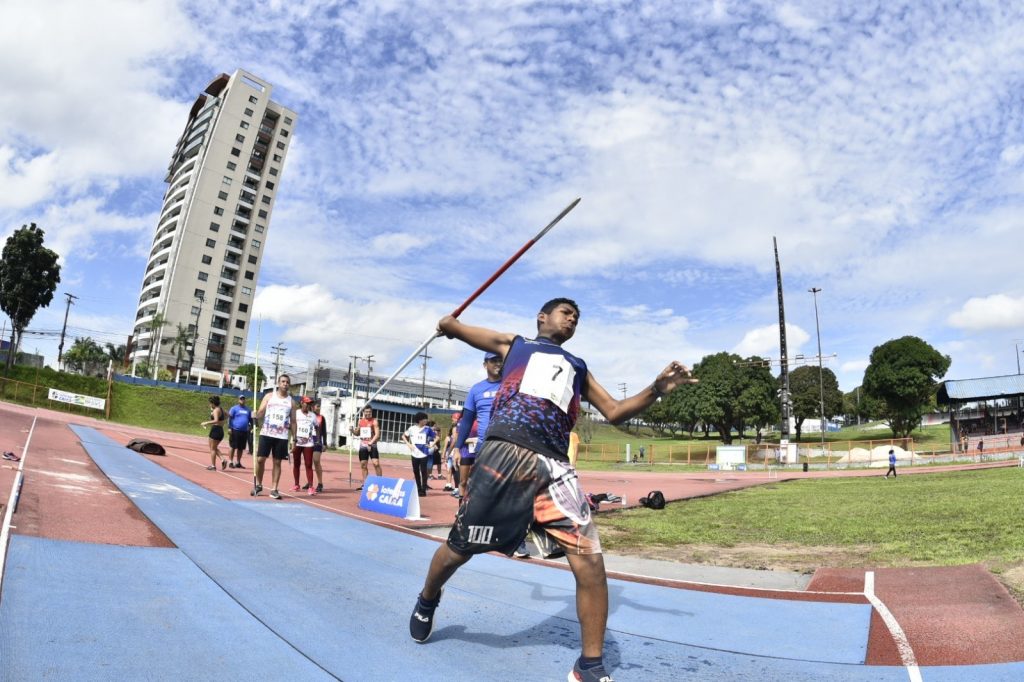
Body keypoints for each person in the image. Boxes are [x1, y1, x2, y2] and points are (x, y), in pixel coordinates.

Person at [408, 298, 697, 682]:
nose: (572, 318)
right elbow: (457, 329)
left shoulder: (578, 368)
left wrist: (656, 388)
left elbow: (614, 410)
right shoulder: (515, 345)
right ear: (542, 317)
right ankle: (428, 597)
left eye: (577, 316)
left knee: (590, 560)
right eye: (566, 312)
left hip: (555, 466)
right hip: (504, 453)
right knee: (460, 549)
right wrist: (448, 324)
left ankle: (589, 665)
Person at [454, 351, 503, 501]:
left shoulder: (511, 386)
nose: (498, 364)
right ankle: (465, 518)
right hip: (483, 448)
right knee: (479, 488)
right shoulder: (476, 389)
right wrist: (457, 448)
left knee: (503, 489)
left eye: (500, 360)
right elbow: (467, 421)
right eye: (493, 360)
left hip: (506, 447)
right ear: (485, 365)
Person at [252, 374, 296, 499]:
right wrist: (255, 414)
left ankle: (274, 488)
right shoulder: (269, 396)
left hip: (281, 436)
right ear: (278, 383)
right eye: (283, 381)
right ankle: (259, 485)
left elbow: (293, 422)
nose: (285, 384)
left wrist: (294, 438)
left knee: (277, 462)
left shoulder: (291, 402)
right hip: (266, 433)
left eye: (287, 382)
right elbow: (261, 412)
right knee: (260, 460)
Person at [401, 411, 437, 497]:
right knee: (416, 471)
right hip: (414, 453)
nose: (426, 420)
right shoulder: (412, 428)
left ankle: (423, 489)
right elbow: (403, 436)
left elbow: (437, 437)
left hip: (424, 453)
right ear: (419, 420)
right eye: (424, 419)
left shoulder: (428, 429)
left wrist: (432, 444)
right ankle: (418, 488)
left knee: (424, 471)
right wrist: (409, 444)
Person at [352, 406, 382, 491]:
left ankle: (379, 483)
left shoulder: (374, 421)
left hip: (372, 445)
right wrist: (352, 431)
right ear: (364, 412)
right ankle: (365, 484)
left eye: (369, 412)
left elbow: (377, 434)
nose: (368, 413)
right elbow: (357, 433)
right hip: (363, 445)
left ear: (371, 412)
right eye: (366, 412)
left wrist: (371, 442)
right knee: (363, 465)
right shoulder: (360, 421)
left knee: (376, 463)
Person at [291, 396, 317, 495]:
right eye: (306, 403)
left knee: (309, 464)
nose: (308, 405)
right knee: (296, 463)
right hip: (297, 442)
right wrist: (293, 438)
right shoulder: (296, 413)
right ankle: (296, 484)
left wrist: (317, 439)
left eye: (310, 403)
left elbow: (317, 427)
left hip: (308, 443)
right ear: (301, 403)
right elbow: (292, 425)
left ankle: (311, 487)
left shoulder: (313, 415)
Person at [227, 394, 253, 468]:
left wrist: (252, 427)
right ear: (238, 400)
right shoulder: (234, 408)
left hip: (244, 431)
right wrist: (229, 428)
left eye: (243, 399)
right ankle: (230, 461)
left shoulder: (248, 409)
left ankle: (238, 462)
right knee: (233, 446)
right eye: (241, 399)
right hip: (235, 430)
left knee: (241, 448)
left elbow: (251, 420)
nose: (242, 400)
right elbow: (230, 418)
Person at [201, 396, 227, 471]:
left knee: (212, 449)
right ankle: (223, 459)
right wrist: (223, 422)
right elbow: (228, 415)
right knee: (213, 448)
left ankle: (213, 466)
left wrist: (206, 423)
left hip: (216, 430)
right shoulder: (221, 409)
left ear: (213, 403)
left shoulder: (216, 410)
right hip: (219, 430)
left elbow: (215, 420)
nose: (209, 405)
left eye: (210, 403)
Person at [442, 412, 461, 492]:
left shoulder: (456, 428)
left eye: (452, 418)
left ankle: (457, 488)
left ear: (456, 418)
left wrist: (448, 452)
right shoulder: (463, 426)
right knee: (452, 469)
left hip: (455, 451)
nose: (452, 420)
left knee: (455, 469)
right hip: (458, 450)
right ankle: (451, 485)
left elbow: (454, 441)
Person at [312, 401, 327, 493]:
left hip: (317, 442)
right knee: (308, 463)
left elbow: (324, 431)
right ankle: (309, 482)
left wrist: (324, 443)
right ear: (312, 407)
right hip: (307, 441)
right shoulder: (308, 416)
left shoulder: (322, 418)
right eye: (317, 406)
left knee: (316, 461)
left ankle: (320, 483)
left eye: (319, 407)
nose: (319, 408)